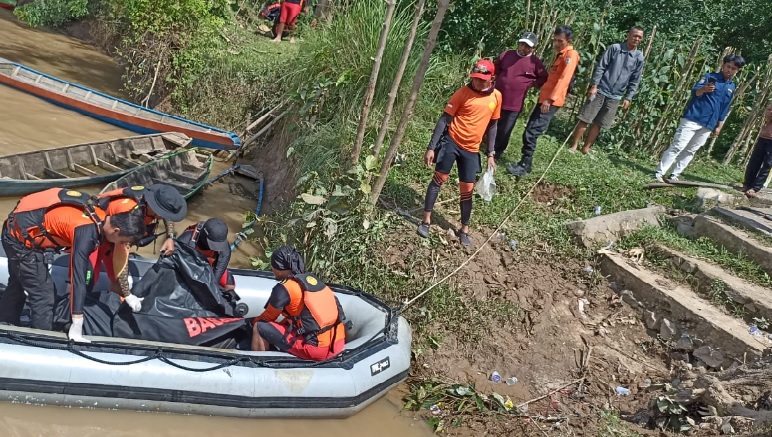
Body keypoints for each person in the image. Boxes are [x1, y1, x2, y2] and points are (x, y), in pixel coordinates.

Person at [0, 188, 146, 342]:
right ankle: (42, 342)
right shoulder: (86, 233)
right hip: (19, 240)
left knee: (18, 282)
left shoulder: (102, 218)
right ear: (116, 230)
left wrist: (127, 295)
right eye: (123, 241)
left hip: (18, 225)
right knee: (44, 295)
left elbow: (110, 256)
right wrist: (77, 324)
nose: (121, 245)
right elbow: (78, 278)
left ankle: (6, 321)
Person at [417, 59, 502, 248]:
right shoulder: (462, 93)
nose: (478, 83)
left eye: (482, 79)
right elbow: (444, 120)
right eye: (476, 79)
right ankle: (426, 221)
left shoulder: (496, 97)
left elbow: (493, 126)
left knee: (467, 190)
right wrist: (431, 147)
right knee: (438, 180)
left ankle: (464, 229)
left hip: (472, 150)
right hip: (452, 143)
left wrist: (490, 153)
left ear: (492, 78)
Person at [654, 54, 746, 182]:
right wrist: (704, 89)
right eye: (728, 66)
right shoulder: (709, 77)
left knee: (691, 150)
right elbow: (695, 92)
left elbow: (724, 108)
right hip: (693, 118)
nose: (729, 70)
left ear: (738, 70)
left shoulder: (731, 87)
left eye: (733, 68)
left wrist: (719, 126)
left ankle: (674, 175)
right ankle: (659, 172)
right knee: (678, 145)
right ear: (723, 65)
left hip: (709, 123)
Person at [251, 246, 346, 361]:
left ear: (281, 268)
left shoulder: (284, 289)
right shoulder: (310, 281)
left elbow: (267, 317)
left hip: (318, 350)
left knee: (259, 326)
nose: (272, 270)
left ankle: (258, 364)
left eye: (274, 266)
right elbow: (302, 316)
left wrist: (251, 323)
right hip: (338, 343)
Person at [508, 25, 579, 177]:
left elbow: (564, 80)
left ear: (569, 41)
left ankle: (525, 165)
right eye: (555, 41)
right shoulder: (560, 54)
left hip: (550, 100)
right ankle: (524, 163)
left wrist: (549, 99)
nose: (556, 44)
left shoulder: (570, 56)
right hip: (544, 98)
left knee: (531, 132)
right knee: (530, 129)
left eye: (560, 41)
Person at [97, 183, 187, 299]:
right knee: (114, 277)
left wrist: (170, 237)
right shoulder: (130, 213)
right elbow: (122, 257)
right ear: (155, 209)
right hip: (102, 236)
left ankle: (115, 299)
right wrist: (127, 294)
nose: (163, 217)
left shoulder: (151, 201)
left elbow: (167, 215)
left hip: (119, 237)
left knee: (117, 280)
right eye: (161, 214)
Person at [569, 27, 645, 154]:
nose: (636, 38)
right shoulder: (615, 48)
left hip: (616, 96)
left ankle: (586, 148)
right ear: (628, 35)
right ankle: (574, 145)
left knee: (599, 123)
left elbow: (635, 79)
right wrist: (594, 86)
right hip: (600, 90)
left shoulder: (638, 57)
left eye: (639, 37)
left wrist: (628, 97)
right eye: (634, 35)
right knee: (585, 118)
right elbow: (601, 67)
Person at [493, 31, 548, 160]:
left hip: (514, 103)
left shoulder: (535, 63)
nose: (524, 48)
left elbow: (544, 77)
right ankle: (485, 144)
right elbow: (497, 67)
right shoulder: (507, 55)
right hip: (497, 97)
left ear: (533, 48)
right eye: (522, 44)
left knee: (505, 129)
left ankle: (498, 151)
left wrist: (533, 84)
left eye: (528, 46)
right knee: (492, 122)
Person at [176, 218, 236, 293]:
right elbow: (175, 264)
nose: (216, 248)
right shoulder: (186, 239)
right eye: (214, 244)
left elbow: (219, 270)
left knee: (230, 283)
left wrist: (212, 288)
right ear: (204, 236)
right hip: (189, 269)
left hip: (210, 268)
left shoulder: (224, 247)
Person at [741, 104, 772, 198]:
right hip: (764, 137)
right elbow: (767, 112)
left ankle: (755, 187)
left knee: (767, 164)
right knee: (754, 161)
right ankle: (747, 184)